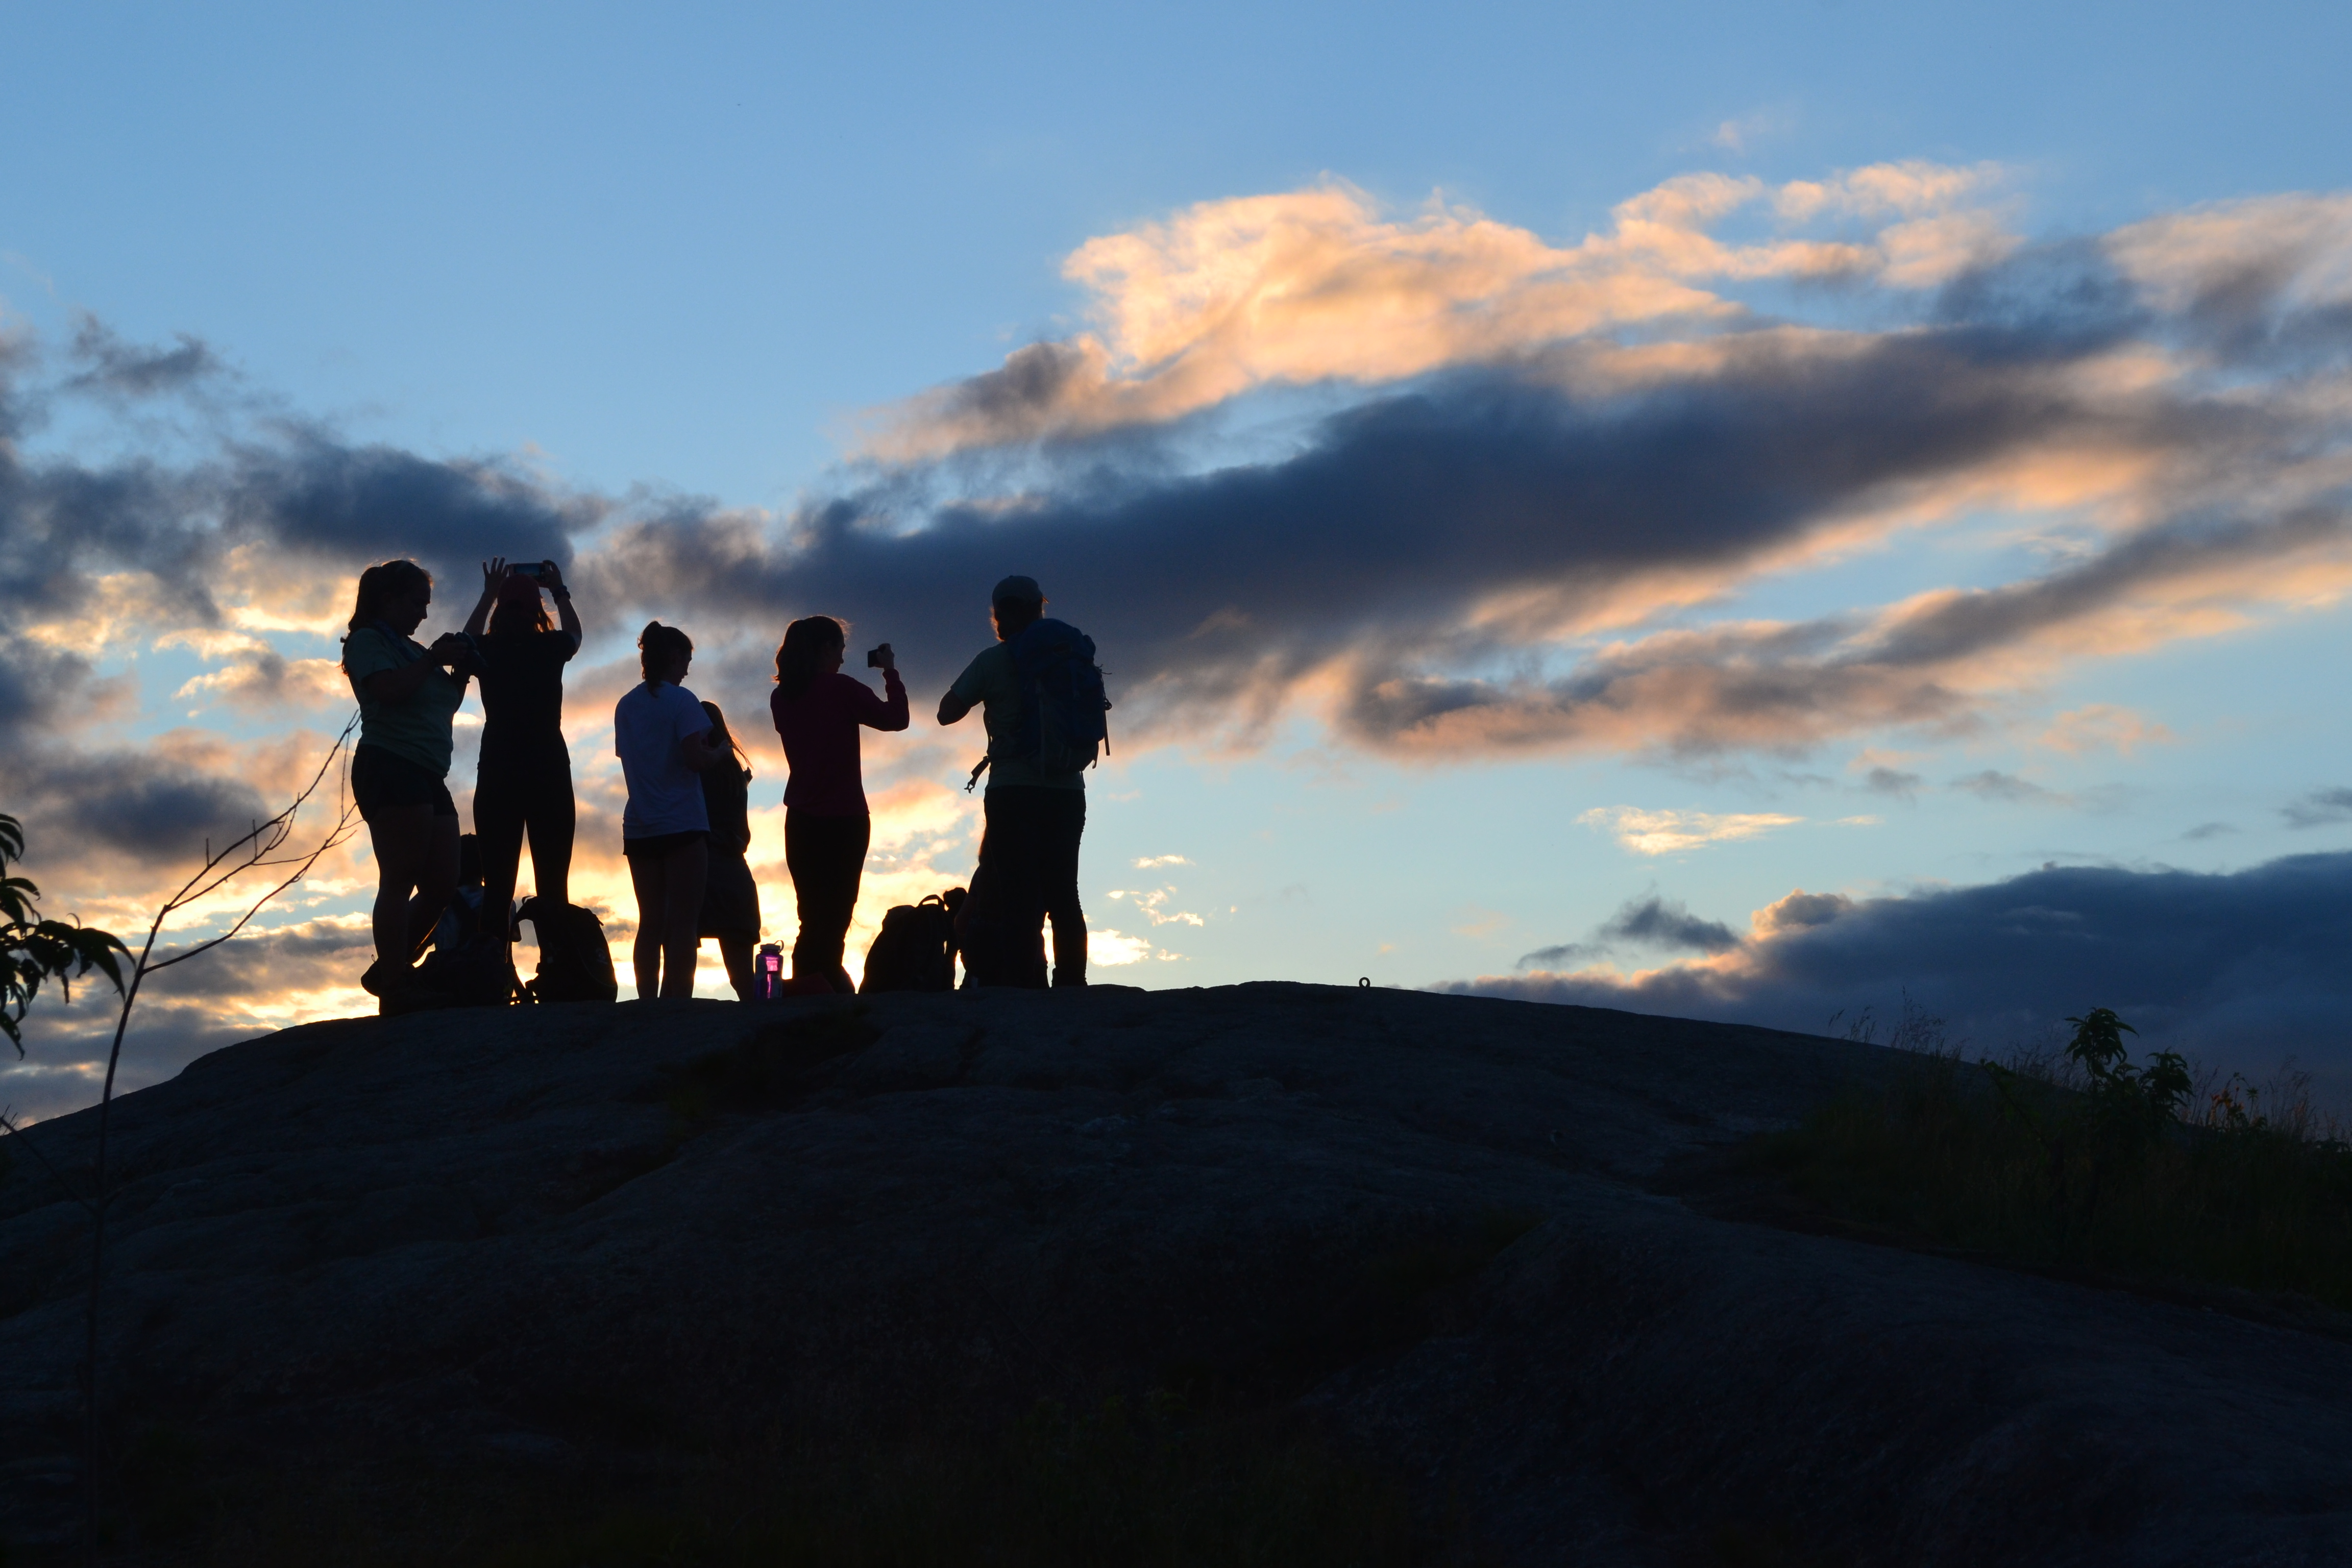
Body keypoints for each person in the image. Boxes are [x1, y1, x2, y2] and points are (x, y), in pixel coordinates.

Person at [936, 575, 1087, 988]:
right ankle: (1073, 986)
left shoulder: (992, 661)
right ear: (1040, 606)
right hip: (1067, 788)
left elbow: (946, 713)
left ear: (1000, 614)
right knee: (1064, 895)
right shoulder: (1067, 655)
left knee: (1020, 896)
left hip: (1012, 790)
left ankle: (1026, 989)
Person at [341, 558, 472, 996]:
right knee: (398, 878)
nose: (424, 614)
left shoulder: (416, 651)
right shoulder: (366, 642)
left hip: (429, 771)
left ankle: (391, 969)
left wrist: (461, 671)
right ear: (389, 600)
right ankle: (397, 981)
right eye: (418, 603)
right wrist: (435, 657)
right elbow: (390, 691)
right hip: (390, 762)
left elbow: (443, 703)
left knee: (442, 882)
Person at [768, 615, 907, 993]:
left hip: (801, 821)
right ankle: (825, 992)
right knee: (835, 920)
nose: (844, 659)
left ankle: (809, 989)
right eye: (840, 649)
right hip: (844, 820)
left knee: (812, 919)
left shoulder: (781, 697)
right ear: (825, 649)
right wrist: (890, 672)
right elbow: (898, 719)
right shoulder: (840, 689)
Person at [460, 556, 581, 967]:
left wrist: (488, 594)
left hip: (497, 770)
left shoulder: (487, 649)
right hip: (549, 769)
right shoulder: (550, 646)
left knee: (496, 883)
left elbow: (465, 640)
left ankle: (491, 974)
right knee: (553, 882)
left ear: (500, 608)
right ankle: (558, 970)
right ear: (537, 610)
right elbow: (575, 634)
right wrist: (559, 591)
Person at [615, 622, 730, 999]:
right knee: (684, 922)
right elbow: (695, 758)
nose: (688, 668)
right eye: (687, 659)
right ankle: (677, 1003)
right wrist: (721, 754)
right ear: (674, 657)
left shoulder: (626, 705)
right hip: (682, 822)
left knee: (650, 921)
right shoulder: (684, 702)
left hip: (640, 825)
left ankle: (647, 1000)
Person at [696, 701, 762, 1000]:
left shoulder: (691, 771)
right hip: (736, 874)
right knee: (743, 980)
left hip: (699, 869)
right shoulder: (736, 775)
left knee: (677, 969)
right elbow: (745, 836)